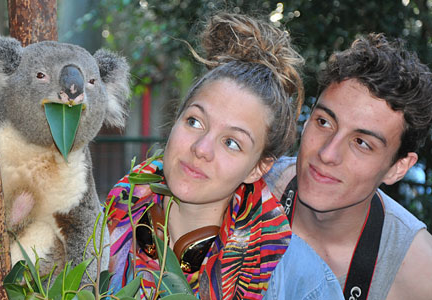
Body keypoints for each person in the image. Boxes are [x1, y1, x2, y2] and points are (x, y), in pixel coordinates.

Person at [104, 12, 342, 299]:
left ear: (258, 167)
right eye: (194, 122)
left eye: (231, 142)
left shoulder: (300, 282)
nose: (201, 149)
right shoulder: (108, 224)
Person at [263, 33, 432, 300]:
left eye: (362, 143)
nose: (328, 153)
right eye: (324, 122)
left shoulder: (416, 270)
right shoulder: (247, 186)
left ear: (398, 168)